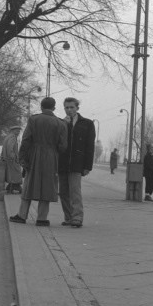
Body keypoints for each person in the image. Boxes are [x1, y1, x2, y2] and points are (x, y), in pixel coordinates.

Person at [9, 97, 67, 226]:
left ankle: (22, 215)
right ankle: (42, 218)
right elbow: (63, 146)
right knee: (47, 186)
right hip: (52, 157)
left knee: (29, 185)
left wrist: (23, 158)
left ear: (41, 107)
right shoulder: (61, 123)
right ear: (54, 108)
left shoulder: (34, 119)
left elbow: (26, 140)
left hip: (34, 155)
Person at [58, 97, 95, 228]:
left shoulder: (87, 124)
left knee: (75, 191)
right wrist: (64, 124)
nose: (69, 110)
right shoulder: (60, 123)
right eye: (66, 107)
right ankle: (68, 217)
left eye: (72, 107)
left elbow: (90, 146)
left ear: (77, 108)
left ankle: (77, 217)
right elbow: (57, 142)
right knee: (63, 192)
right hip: (62, 163)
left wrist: (87, 166)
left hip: (77, 163)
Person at [1, 125, 23, 194]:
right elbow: (10, 148)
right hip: (11, 159)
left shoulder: (8, 137)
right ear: (13, 130)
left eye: (19, 130)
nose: (19, 132)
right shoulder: (12, 137)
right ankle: (15, 186)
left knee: (11, 174)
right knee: (17, 172)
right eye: (17, 130)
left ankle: (11, 186)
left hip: (8, 159)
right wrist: (13, 157)